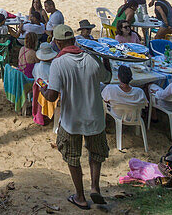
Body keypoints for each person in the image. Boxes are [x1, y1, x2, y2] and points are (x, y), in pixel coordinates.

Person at [43, 25, 112, 211]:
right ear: (73, 40)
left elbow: (52, 96)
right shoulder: (92, 58)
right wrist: (107, 60)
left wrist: (42, 90)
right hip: (95, 116)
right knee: (96, 153)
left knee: (72, 157)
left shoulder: (59, 63)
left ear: (57, 43)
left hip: (71, 119)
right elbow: (107, 78)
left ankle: (80, 197)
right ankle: (95, 186)